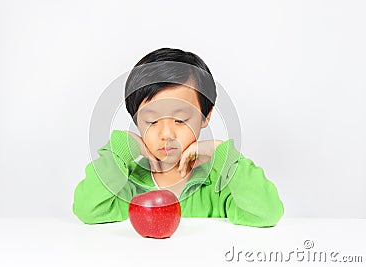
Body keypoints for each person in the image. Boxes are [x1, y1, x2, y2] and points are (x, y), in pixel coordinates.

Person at [72, 48, 284, 227]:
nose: (166, 134)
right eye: (152, 122)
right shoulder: (128, 185)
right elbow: (87, 208)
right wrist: (121, 148)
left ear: (205, 117)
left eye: (181, 120)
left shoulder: (220, 183)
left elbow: (267, 212)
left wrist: (221, 153)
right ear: (136, 122)